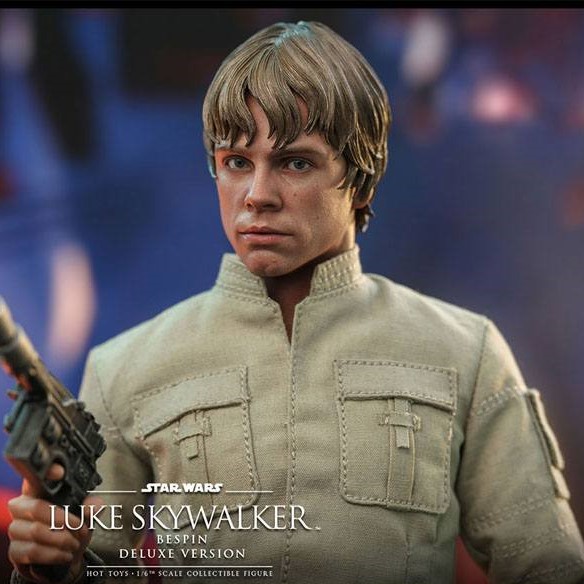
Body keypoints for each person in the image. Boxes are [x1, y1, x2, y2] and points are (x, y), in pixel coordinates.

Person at [7, 20, 584, 584]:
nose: (257, 196)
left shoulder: (464, 352)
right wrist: (49, 563)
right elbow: (97, 563)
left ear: (359, 177)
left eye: (296, 162)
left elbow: (545, 561)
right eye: (236, 163)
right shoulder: (123, 368)